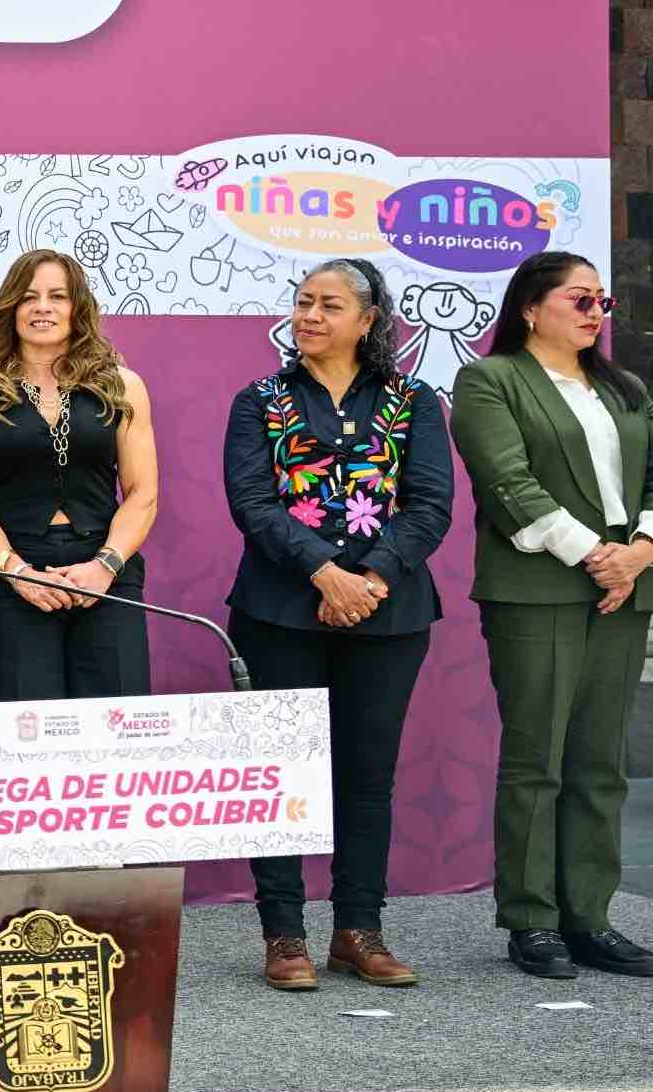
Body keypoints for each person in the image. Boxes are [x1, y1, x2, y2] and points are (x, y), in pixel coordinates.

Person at [224, 259, 455, 991]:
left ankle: (358, 931)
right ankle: (284, 935)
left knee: (367, 776)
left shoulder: (414, 400)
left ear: (368, 320)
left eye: (328, 305)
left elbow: (431, 505)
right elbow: (252, 503)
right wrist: (325, 573)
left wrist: (371, 579)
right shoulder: (259, 400)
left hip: (389, 612)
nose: (310, 316)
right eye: (302, 303)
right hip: (279, 610)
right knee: (278, 774)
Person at [450, 251, 653, 981]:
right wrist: (596, 554)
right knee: (537, 759)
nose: (597, 312)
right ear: (531, 308)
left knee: (600, 760)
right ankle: (532, 919)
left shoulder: (625, 388)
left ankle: (590, 918)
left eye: (603, 301)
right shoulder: (490, 379)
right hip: (538, 588)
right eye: (580, 299)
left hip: (626, 587)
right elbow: (507, 480)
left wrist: (641, 551)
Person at [0, 248, 158, 702]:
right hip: (17, 577)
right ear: (11, 309)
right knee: (24, 724)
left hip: (108, 572)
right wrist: (18, 573)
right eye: (29, 297)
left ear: (77, 308)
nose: (42, 307)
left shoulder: (122, 386)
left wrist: (105, 566)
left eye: (57, 296)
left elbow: (142, 493)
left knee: (117, 723)